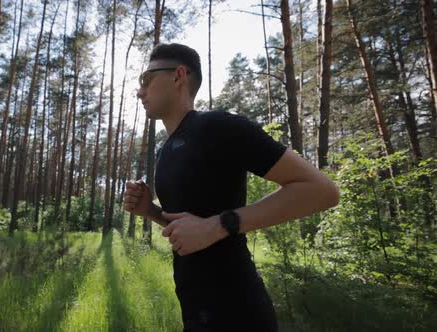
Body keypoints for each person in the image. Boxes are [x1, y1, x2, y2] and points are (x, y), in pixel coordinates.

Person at [123, 43, 340, 331]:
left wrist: (219, 225)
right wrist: (150, 211)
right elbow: (193, 228)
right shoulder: (165, 151)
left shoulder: (218, 126)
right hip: (195, 311)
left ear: (178, 76)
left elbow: (322, 190)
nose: (140, 91)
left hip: (238, 311)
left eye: (145, 80)